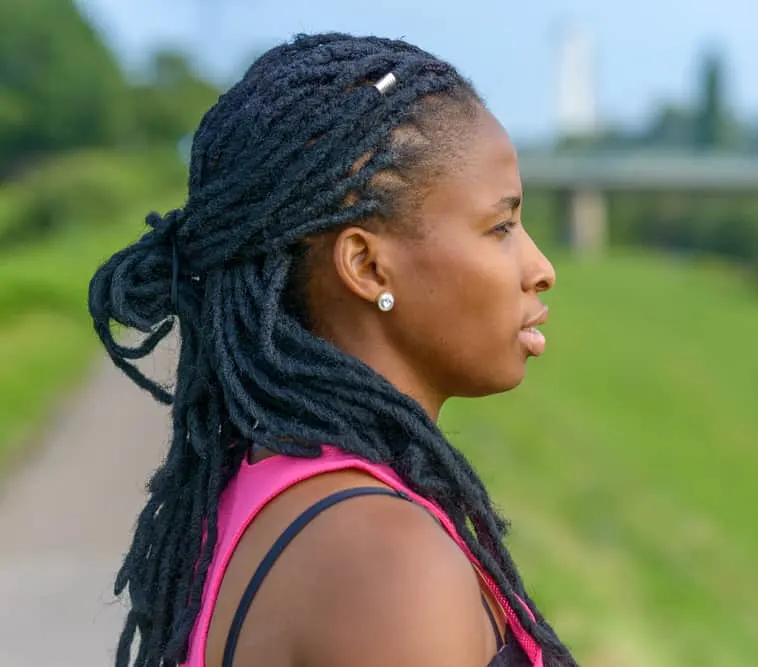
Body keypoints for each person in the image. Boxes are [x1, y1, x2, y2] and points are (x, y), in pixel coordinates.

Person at [88, 31, 576, 667]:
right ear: (367, 267)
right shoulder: (386, 565)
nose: (540, 268)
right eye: (501, 227)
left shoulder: (271, 485)